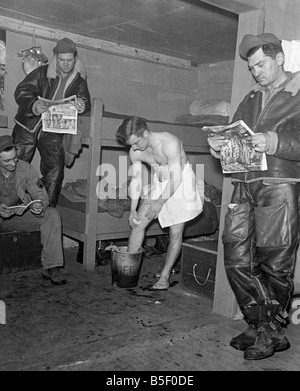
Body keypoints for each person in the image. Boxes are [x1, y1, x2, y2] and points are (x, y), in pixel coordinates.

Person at [208, 32, 300, 360]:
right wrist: (220, 145)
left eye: (260, 64)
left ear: (279, 59)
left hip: (279, 184)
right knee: (236, 256)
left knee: (275, 262)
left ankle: (268, 329)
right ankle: (261, 323)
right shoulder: (250, 98)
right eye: (251, 67)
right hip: (243, 183)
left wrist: (274, 141)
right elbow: (234, 133)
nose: (256, 71)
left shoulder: (298, 93)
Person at [116, 116, 203, 290]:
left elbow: (176, 178)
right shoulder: (135, 150)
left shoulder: (169, 142)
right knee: (138, 223)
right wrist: (133, 209)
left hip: (181, 184)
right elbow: (136, 179)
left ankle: (164, 276)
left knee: (175, 232)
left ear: (146, 133)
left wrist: (160, 202)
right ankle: (129, 272)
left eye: (136, 143)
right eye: (130, 144)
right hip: (160, 181)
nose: (133, 148)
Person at [12, 37, 91, 207]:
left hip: (52, 129)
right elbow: (21, 91)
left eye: (69, 60)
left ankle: (45, 209)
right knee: (15, 165)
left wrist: (81, 105)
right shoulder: (41, 73)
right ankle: (8, 207)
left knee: (56, 168)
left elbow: (86, 101)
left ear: (75, 59)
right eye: (61, 60)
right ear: (55, 57)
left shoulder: (79, 81)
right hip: (28, 126)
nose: (65, 64)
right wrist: (33, 105)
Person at [0, 135, 66, 285]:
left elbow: (40, 194)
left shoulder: (25, 168)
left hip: (14, 217)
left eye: (14, 158)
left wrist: (40, 204)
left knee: (51, 215)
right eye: (6, 161)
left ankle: (51, 267)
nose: (13, 163)